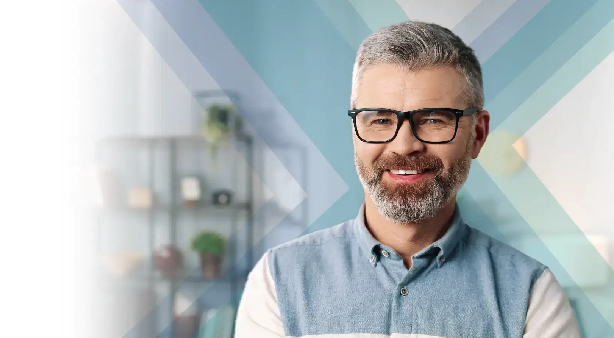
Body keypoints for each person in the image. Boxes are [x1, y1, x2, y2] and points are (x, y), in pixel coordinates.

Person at [234, 21, 580, 338]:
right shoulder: (278, 281)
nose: (405, 145)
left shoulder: (532, 295)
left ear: (478, 134)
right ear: (356, 132)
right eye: (381, 120)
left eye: (433, 119)